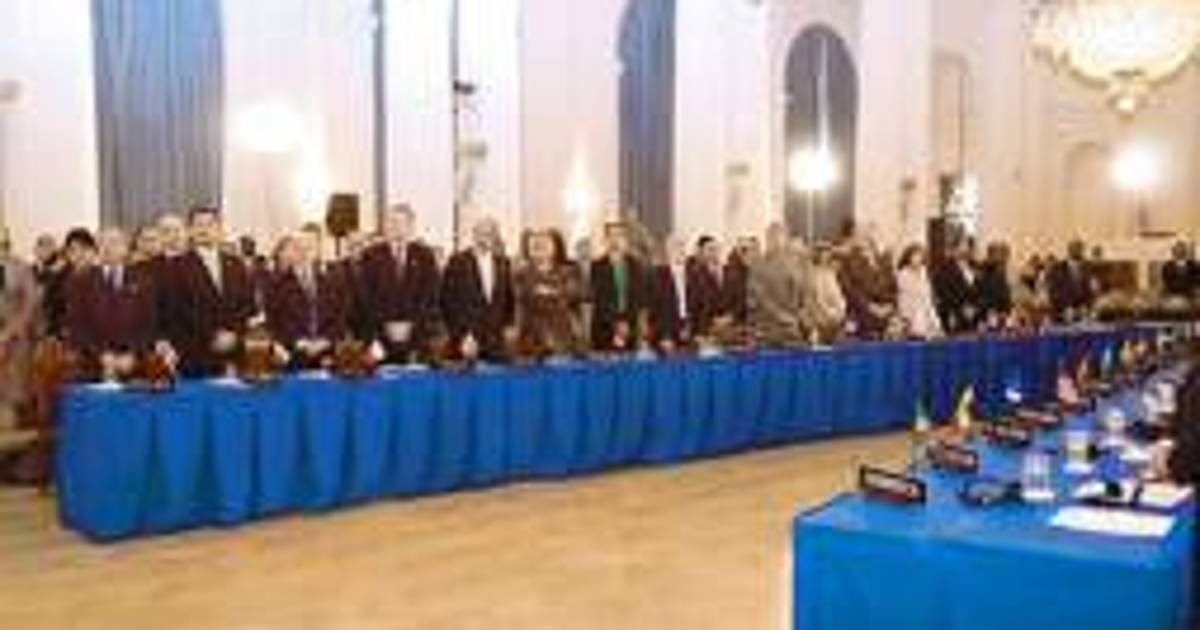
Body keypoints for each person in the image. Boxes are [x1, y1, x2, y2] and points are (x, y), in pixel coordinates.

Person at [64, 228, 163, 380]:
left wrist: (133, 354)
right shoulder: (82, 281)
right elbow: (78, 326)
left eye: (114, 242)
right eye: (102, 242)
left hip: (135, 366)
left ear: (125, 247)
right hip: (93, 366)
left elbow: (150, 324)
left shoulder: (143, 280)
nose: (108, 247)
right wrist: (101, 355)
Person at [170, 207, 258, 376]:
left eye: (210, 224)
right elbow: (179, 309)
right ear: (190, 230)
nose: (204, 230)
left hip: (234, 351)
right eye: (199, 225)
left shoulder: (236, 264)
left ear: (219, 229)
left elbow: (247, 305)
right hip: (196, 354)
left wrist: (234, 334)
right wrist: (212, 335)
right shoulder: (177, 266)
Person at [357, 203, 440, 363]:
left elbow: (430, 298)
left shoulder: (425, 256)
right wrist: (379, 333)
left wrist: (412, 328)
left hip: (416, 340)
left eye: (401, 223)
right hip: (381, 341)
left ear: (411, 227)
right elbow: (365, 300)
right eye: (392, 222)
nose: (396, 227)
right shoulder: (371, 255)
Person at [264, 227, 354, 369]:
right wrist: (298, 341)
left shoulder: (334, 280)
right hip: (294, 356)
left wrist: (326, 340)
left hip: (329, 355)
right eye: (299, 247)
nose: (304, 252)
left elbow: (341, 316)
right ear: (292, 251)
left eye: (309, 247)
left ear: (317, 250)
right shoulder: (276, 284)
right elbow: (274, 322)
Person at [440, 217, 516, 362]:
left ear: (495, 237)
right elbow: (447, 303)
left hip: (496, 342)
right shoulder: (457, 261)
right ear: (474, 235)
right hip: (467, 341)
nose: (484, 238)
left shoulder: (503, 263)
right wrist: (462, 335)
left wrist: (508, 329)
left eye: (489, 234)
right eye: (480, 233)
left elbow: (508, 301)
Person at [514, 229, 583, 358]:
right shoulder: (522, 274)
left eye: (546, 242)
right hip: (531, 339)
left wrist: (550, 292)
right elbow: (524, 297)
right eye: (537, 243)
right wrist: (554, 293)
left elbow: (573, 294)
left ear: (556, 247)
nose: (541, 246)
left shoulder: (568, 271)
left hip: (562, 337)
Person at [0, 226, 40, 427]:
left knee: (11, 391)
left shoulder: (21, 267)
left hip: (14, 338)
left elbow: (31, 303)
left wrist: (10, 331)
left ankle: (9, 425)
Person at [748, 224, 812, 348]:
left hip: (792, 332)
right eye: (773, 238)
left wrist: (803, 318)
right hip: (768, 332)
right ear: (767, 240)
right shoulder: (758, 267)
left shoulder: (795, 265)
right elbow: (759, 299)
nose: (777, 242)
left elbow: (803, 296)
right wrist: (785, 318)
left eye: (780, 238)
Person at [590, 221, 647, 352]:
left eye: (620, 235)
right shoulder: (597, 266)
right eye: (611, 235)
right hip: (605, 329)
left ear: (626, 240)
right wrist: (617, 325)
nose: (615, 240)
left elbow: (638, 298)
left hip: (630, 329)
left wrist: (627, 324)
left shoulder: (635, 265)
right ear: (605, 240)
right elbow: (601, 300)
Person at [838, 232, 896, 339]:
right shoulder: (848, 262)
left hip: (885, 316)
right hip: (860, 316)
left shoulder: (884, 262)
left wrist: (890, 305)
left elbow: (893, 287)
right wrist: (870, 306)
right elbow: (850, 291)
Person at [686, 235, 739, 340]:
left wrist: (730, 317)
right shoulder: (694, 274)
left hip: (729, 329)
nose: (714, 253)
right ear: (701, 251)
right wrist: (712, 321)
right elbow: (693, 305)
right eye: (710, 249)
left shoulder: (729, 272)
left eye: (717, 249)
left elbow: (737, 299)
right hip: (704, 331)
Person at [648, 235, 691, 351]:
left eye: (682, 246)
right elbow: (655, 308)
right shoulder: (658, 274)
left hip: (689, 330)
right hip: (666, 333)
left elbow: (698, 304)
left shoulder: (693, 273)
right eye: (676, 247)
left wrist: (692, 328)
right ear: (668, 251)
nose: (680, 250)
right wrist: (664, 335)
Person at [931, 240, 979, 334]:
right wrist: (963, 308)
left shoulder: (976, 267)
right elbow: (943, 293)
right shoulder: (943, 269)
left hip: (975, 317)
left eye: (967, 248)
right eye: (961, 247)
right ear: (953, 250)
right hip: (953, 316)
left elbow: (981, 291)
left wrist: (975, 307)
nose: (964, 251)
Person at [896, 244, 943, 339]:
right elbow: (908, 295)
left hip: (926, 306)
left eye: (920, 256)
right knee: (918, 330)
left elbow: (927, 291)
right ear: (908, 258)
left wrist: (930, 310)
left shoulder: (923, 271)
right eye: (914, 256)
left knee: (936, 328)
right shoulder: (903, 274)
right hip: (911, 308)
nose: (917, 259)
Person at [1045, 239, 1097, 323]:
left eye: (1080, 249)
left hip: (1082, 314)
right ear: (1069, 250)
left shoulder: (1086, 269)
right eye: (1076, 249)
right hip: (1062, 314)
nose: (1079, 251)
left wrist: (1086, 306)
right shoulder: (1056, 269)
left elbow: (1089, 291)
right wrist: (1066, 308)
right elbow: (1053, 292)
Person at [805, 244, 846, 343]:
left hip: (835, 321)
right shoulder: (811, 274)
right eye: (822, 252)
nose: (825, 255)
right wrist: (830, 313)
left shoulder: (830, 274)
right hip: (820, 322)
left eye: (827, 252)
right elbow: (816, 300)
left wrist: (840, 311)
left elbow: (838, 297)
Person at [975, 242, 1014, 329]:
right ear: (991, 255)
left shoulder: (1000, 270)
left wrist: (1007, 309)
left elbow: (1005, 293)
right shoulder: (983, 271)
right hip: (989, 314)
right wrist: (995, 310)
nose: (1003, 258)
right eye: (999, 254)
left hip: (1000, 314)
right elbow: (980, 294)